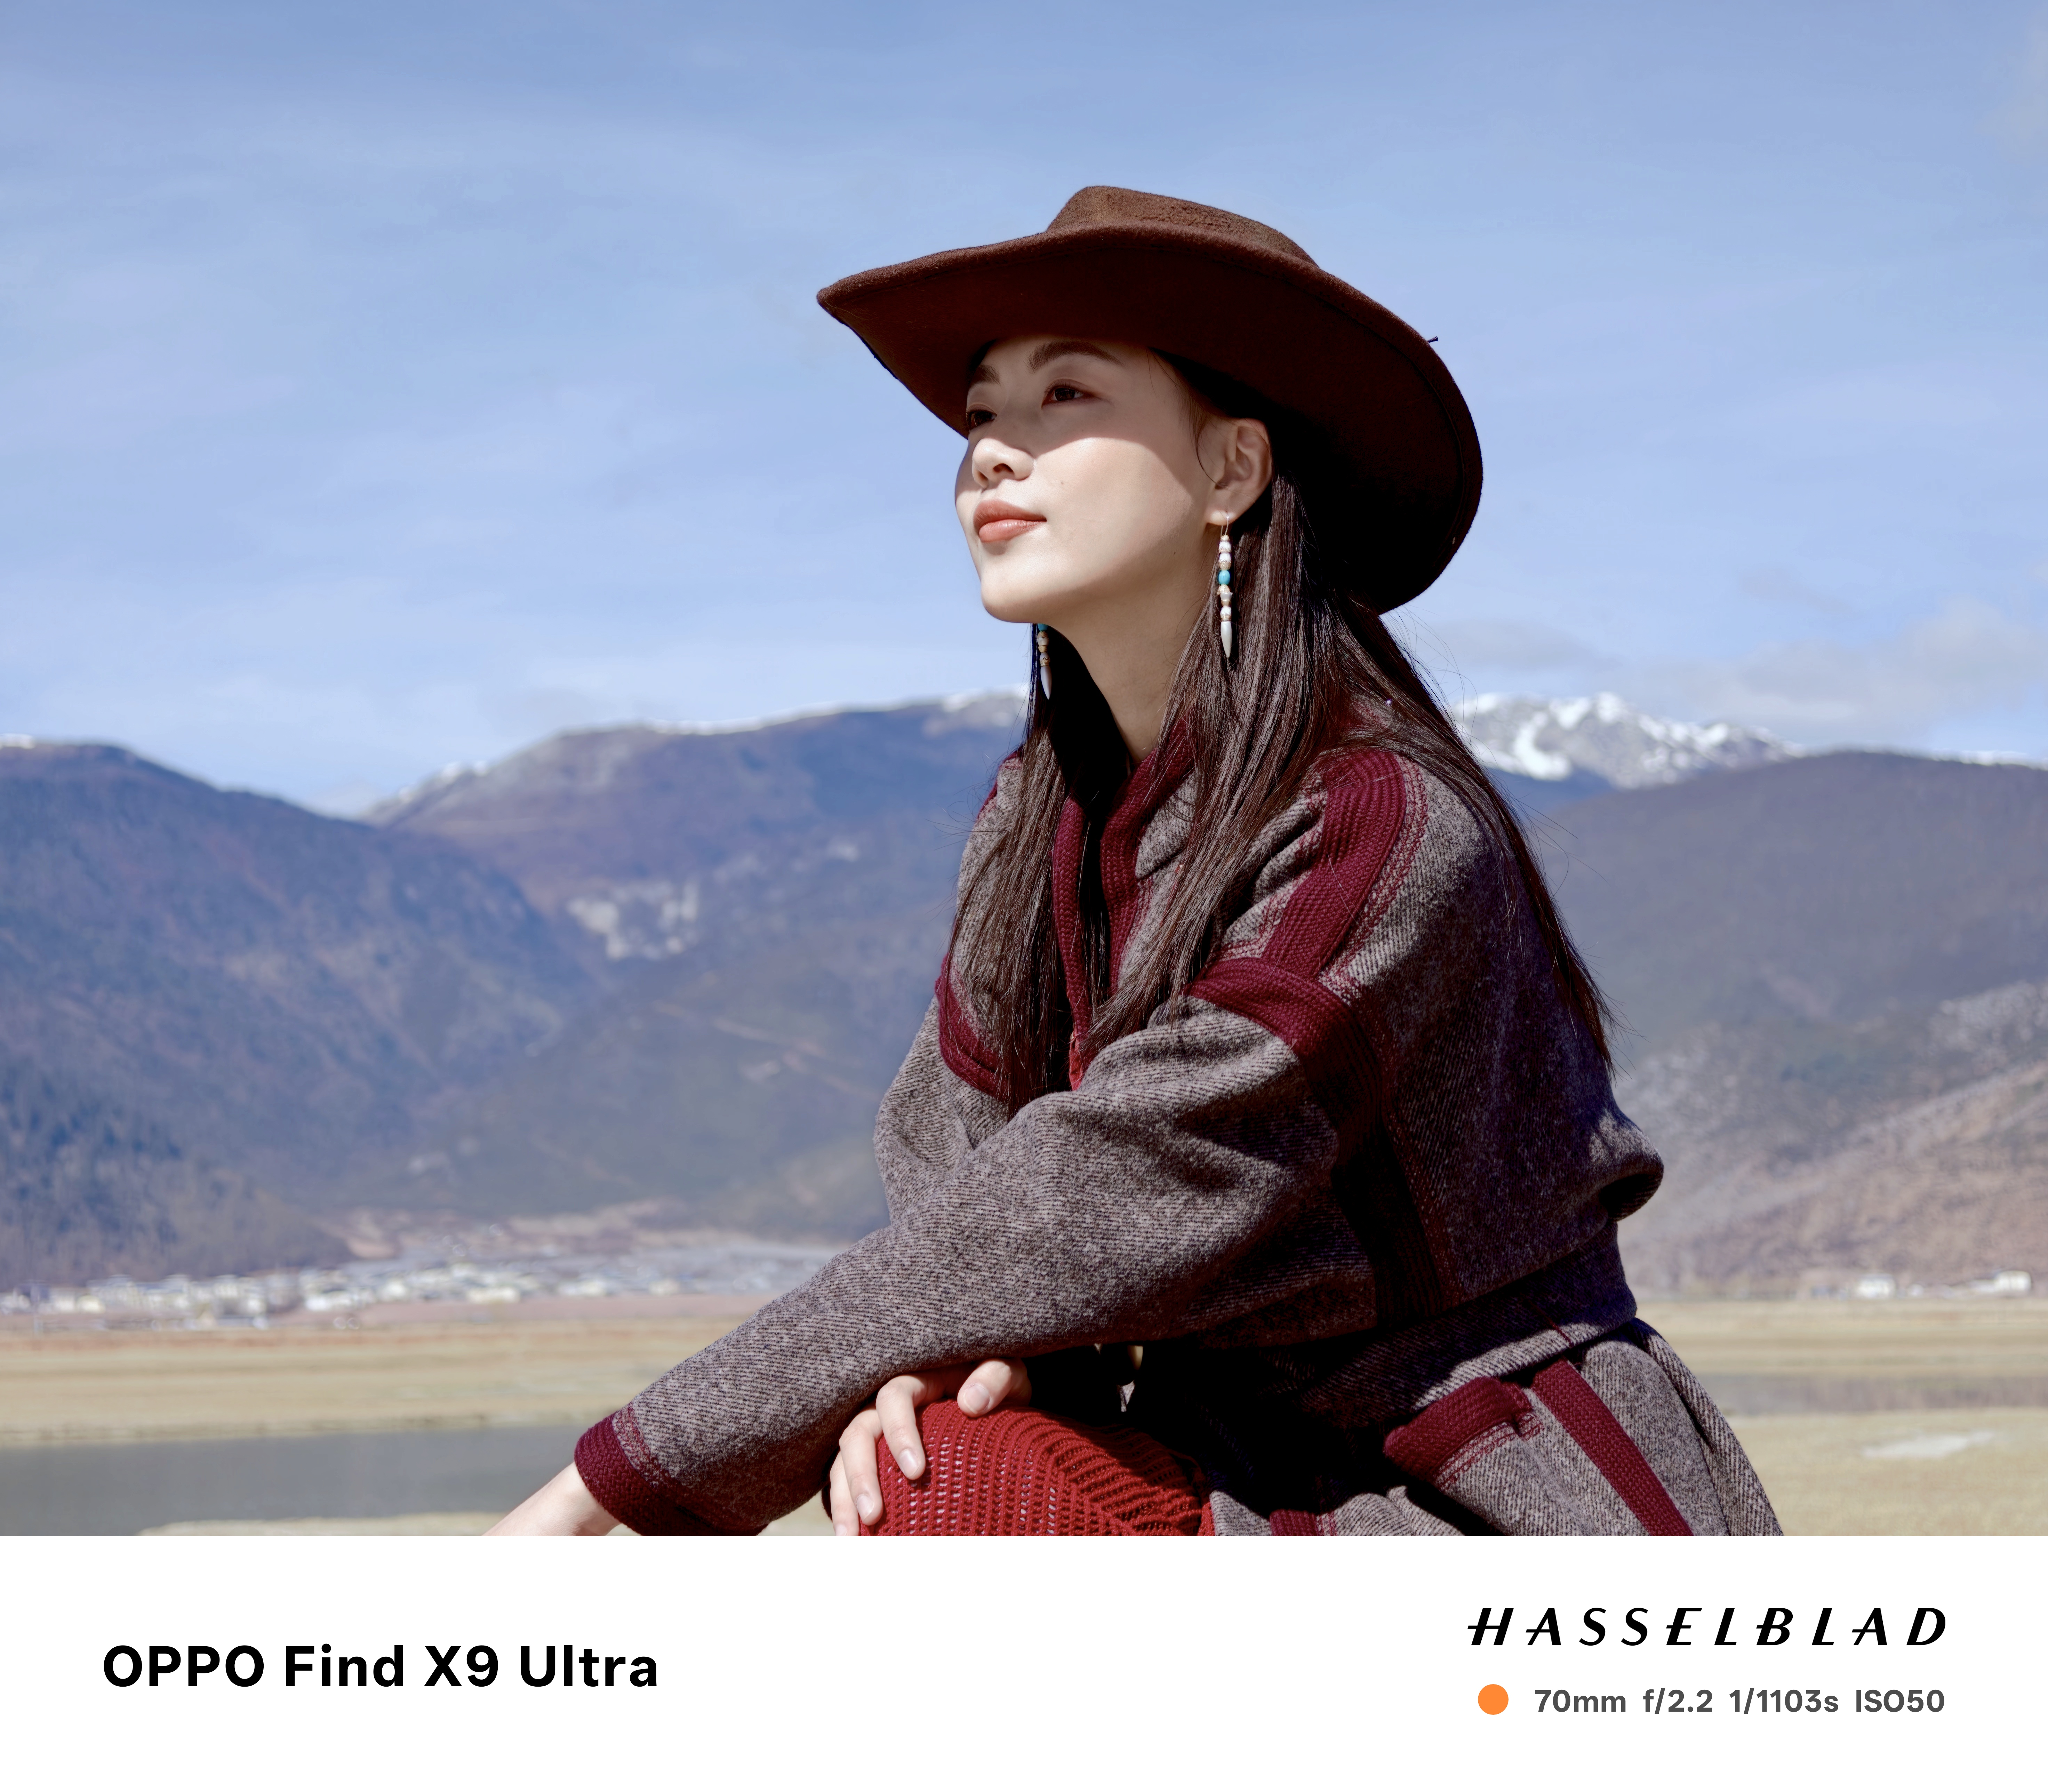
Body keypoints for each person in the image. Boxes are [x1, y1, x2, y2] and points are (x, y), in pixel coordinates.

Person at [489, 187, 1779, 1538]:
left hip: (1477, 1484)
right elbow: (964, 1177)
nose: (993, 453)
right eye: (982, 413)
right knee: (931, 1462)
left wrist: (600, 1489)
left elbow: (1114, 1182)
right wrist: (965, 1358)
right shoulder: (1030, 821)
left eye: (1064, 395)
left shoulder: (1380, 819)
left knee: (951, 1477)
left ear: (1230, 469)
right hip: (1204, 1458)